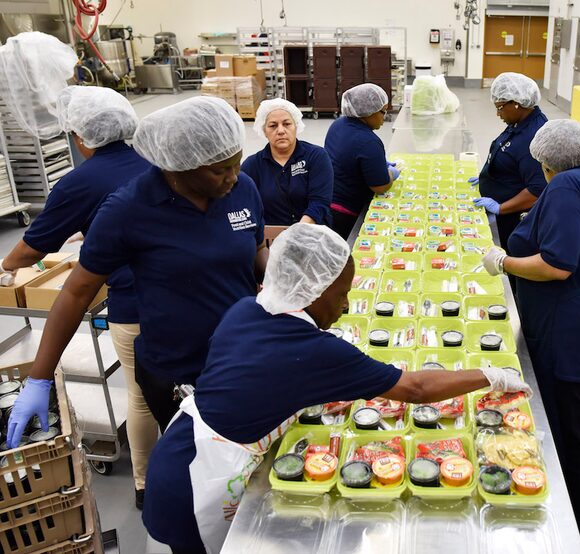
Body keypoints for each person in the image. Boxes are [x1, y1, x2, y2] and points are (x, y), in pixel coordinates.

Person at [142, 224, 530, 553]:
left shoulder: (247, 308)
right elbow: (414, 388)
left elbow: (255, 376)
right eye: (342, 294)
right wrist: (488, 374)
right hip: (196, 479)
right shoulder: (315, 350)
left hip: (180, 443)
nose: (346, 306)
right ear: (314, 291)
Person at [5, 96, 268, 448]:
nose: (233, 177)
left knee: (249, 453)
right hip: (177, 372)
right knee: (196, 463)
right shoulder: (127, 210)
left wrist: (288, 286)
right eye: (220, 170)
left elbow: (256, 251)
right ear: (177, 165)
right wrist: (40, 378)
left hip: (241, 355)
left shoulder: (242, 189)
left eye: (236, 164)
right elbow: (76, 292)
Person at [0, 86, 157, 508]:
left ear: (80, 137)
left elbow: (32, 248)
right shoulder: (161, 159)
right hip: (185, 295)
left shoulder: (79, 181)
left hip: (132, 304)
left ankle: (144, 483)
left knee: (141, 395)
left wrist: (5, 265)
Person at [481, 120, 580, 554]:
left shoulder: (565, 188)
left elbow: (557, 264)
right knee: (576, 430)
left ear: (547, 162)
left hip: (573, 329)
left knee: (574, 440)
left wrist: (504, 261)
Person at [472, 72, 548, 252]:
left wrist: (500, 208)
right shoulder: (520, 122)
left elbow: (537, 189)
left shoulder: (533, 136)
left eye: (499, 107)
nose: (498, 113)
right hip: (502, 210)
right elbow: (507, 151)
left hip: (513, 221)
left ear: (516, 103)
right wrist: (488, 176)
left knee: (511, 261)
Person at [241, 99, 332, 225]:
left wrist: (298, 232)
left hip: (314, 235)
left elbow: (320, 202)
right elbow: (245, 208)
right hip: (272, 239)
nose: (281, 131)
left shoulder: (316, 156)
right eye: (273, 126)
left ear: (296, 126)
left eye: (287, 124)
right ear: (264, 131)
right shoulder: (252, 166)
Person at [325, 83, 399, 239]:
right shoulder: (369, 142)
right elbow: (380, 187)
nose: (384, 118)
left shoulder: (338, 125)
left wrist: (375, 164)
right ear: (368, 112)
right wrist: (391, 173)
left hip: (327, 202)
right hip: (347, 213)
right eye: (382, 111)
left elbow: (348, 159)